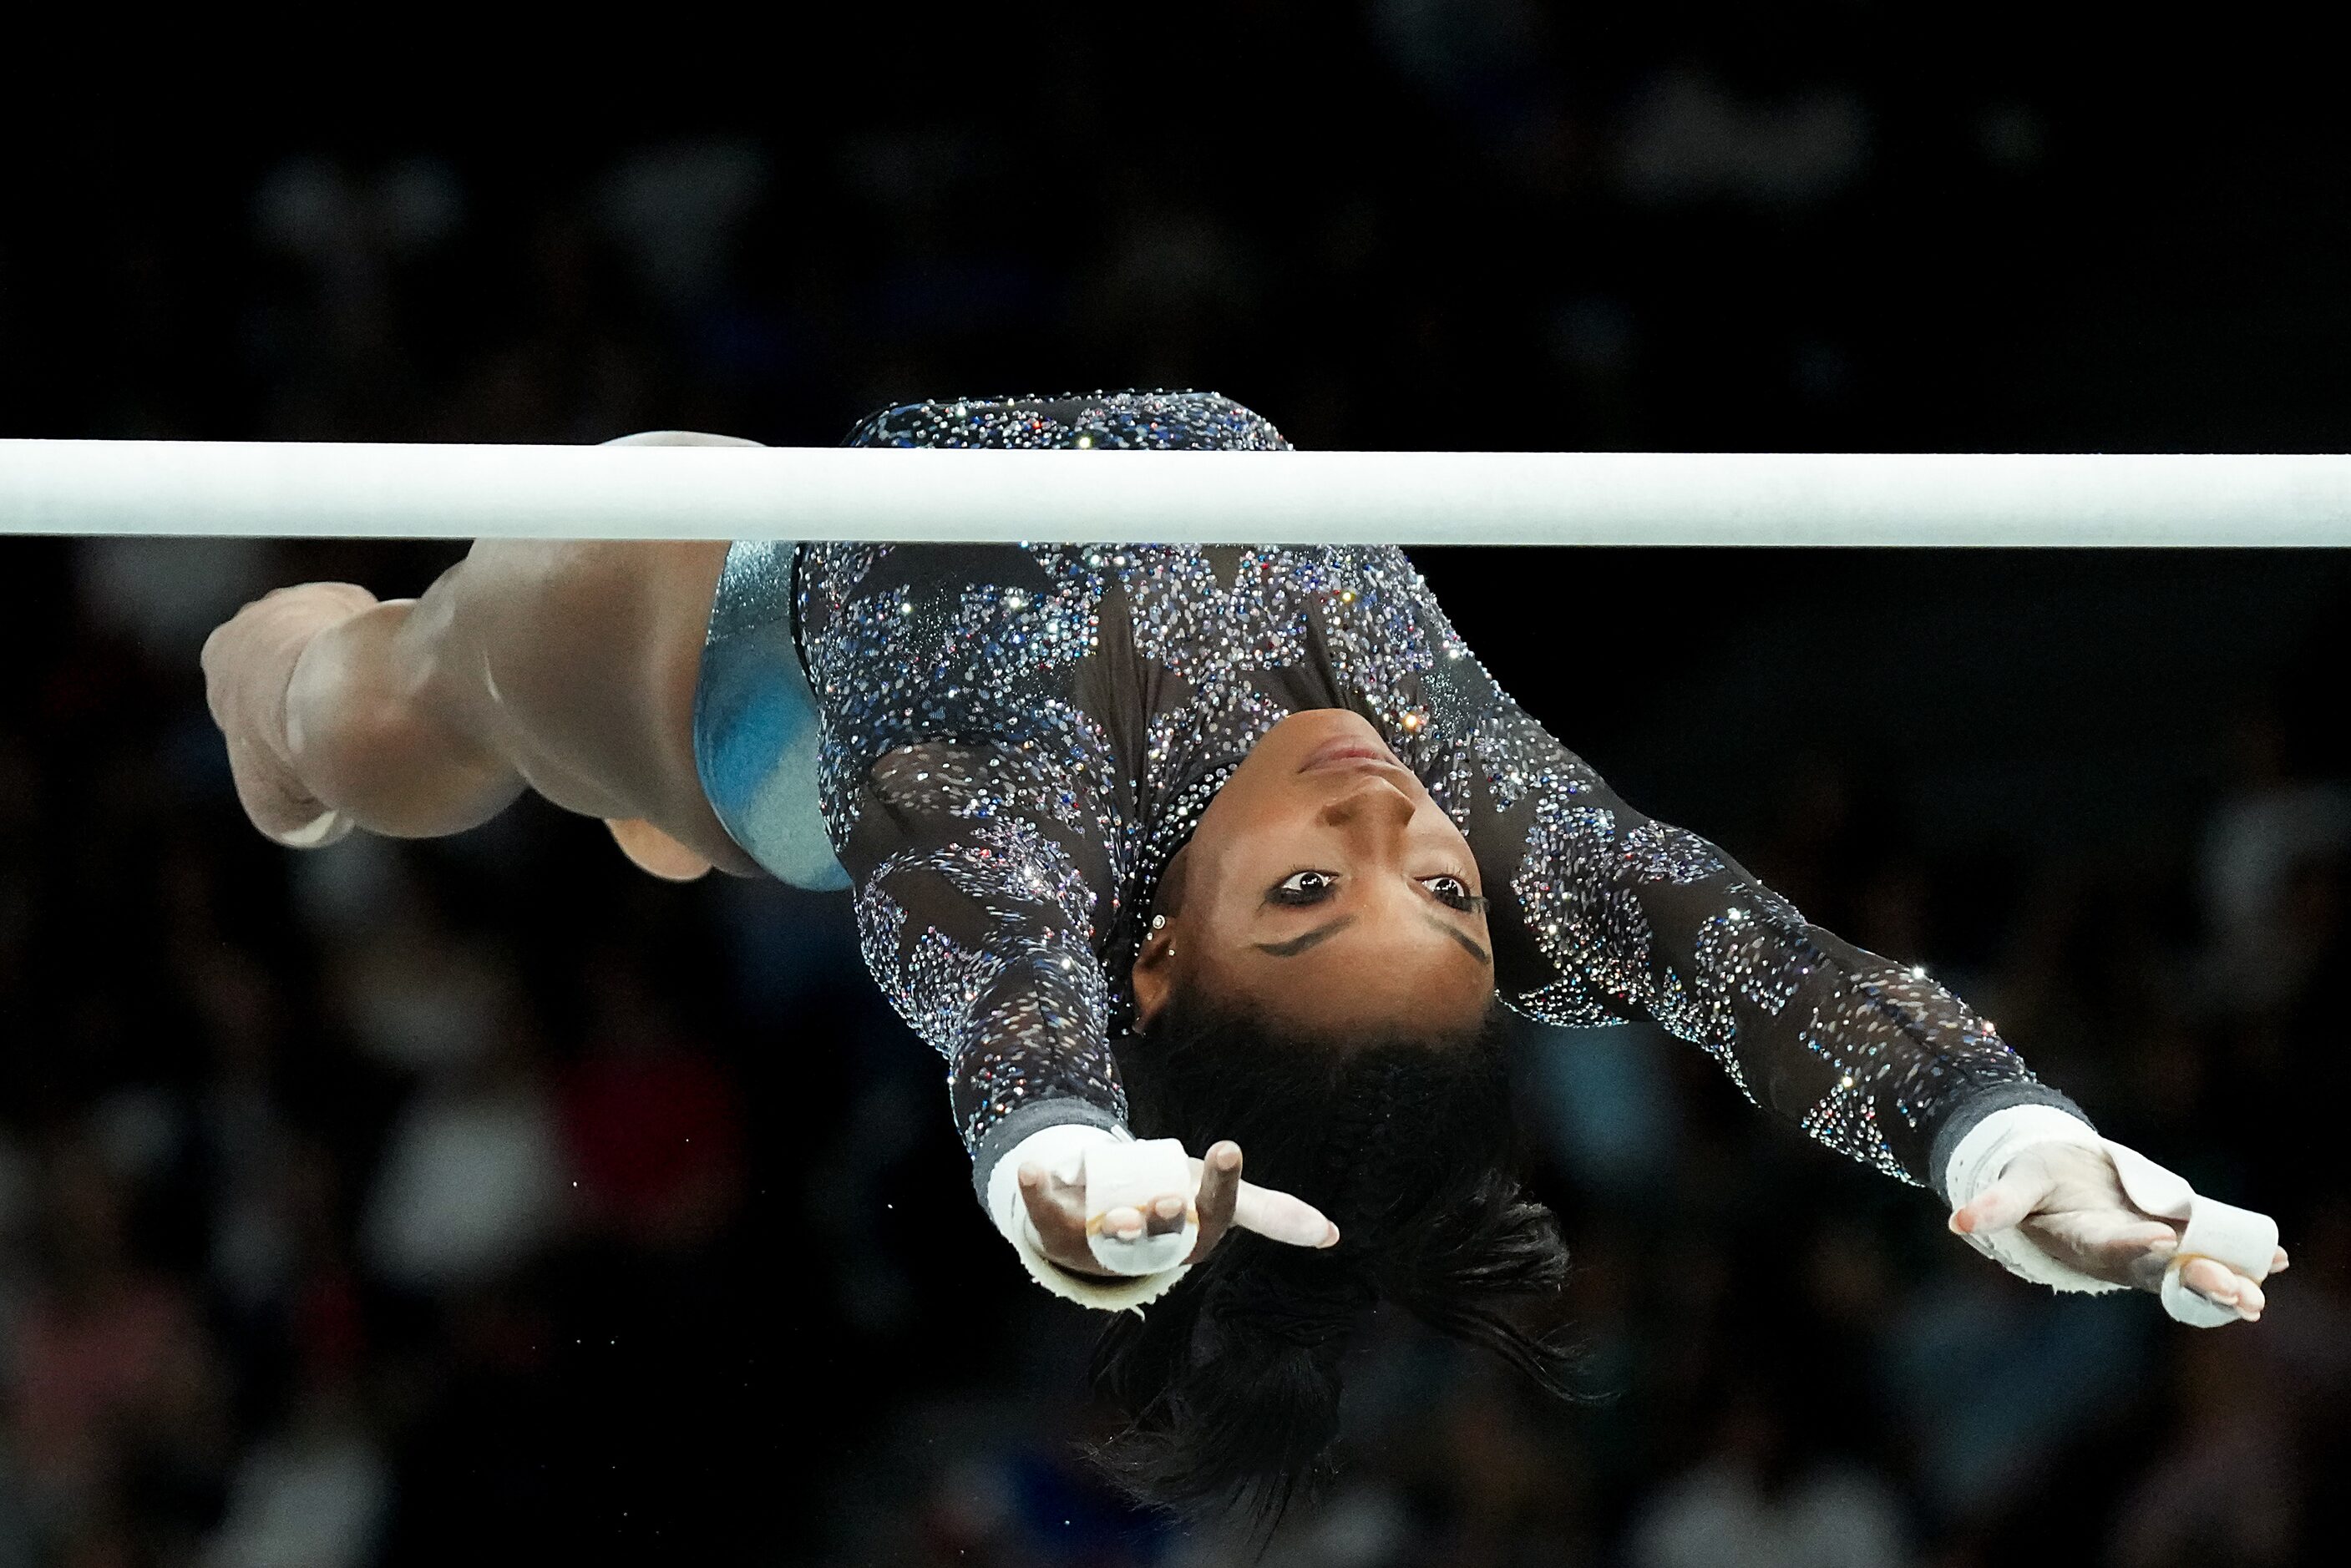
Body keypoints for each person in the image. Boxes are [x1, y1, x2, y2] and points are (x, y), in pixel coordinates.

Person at [200, 390, 2287, 1519]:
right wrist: (1999, 1145)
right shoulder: (1481, 803)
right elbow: (1759, 970)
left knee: (365, 705)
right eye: (1443, 892)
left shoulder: (1012, 798)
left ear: (1163, 970)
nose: (1386, 818)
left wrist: (1041, 1154)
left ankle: (287, 735)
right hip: (825, 561)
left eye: (1309, 893)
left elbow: (986, 965)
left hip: (698, 652)